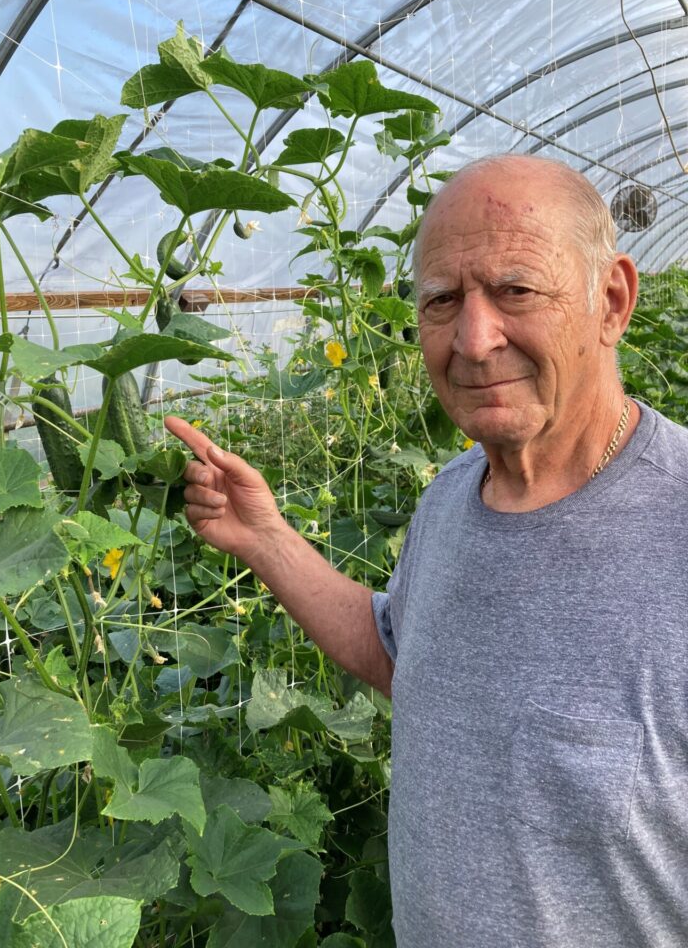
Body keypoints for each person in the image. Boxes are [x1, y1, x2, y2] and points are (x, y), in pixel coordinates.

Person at [166, 155, 688, 948]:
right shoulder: (452, 494)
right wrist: (265, 538)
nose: (474, 340)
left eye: (516, 290)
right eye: (442, 300)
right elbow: (403, 655)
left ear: (610, 301)